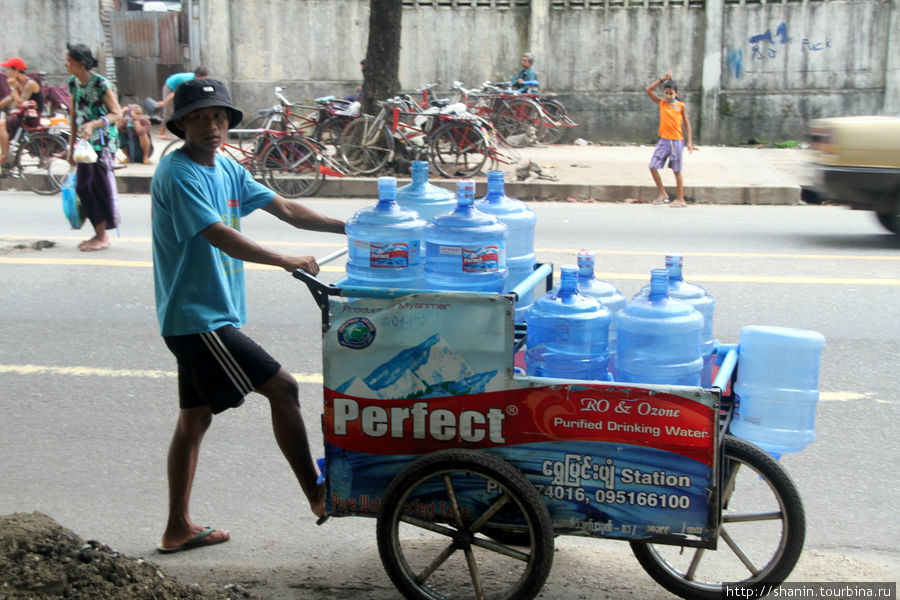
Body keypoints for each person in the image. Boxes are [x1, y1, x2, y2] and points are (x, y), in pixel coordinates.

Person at [150, 78, 346, 553]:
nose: (213, 125)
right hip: (198, 319)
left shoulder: (226, 167)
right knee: (283, 387)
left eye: (219, 117)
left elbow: (285, 208)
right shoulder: (178, 174)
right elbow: (218, 234)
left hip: (206, 314)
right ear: (181, 125)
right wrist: (285, 260)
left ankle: (177, 527)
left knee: (193, 421)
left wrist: (353, 226)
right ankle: (317, 495)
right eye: (200, 117)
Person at [66, 43, 122, 251]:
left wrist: (93, 124)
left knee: (94, 186)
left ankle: (102, 236)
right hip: (83, 143)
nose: (66, 64)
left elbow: (117, 113)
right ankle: (99, 233)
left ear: (81, 63)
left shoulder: (101, 84)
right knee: (82, 186)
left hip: (103, 142)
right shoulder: (73, 83)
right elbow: (73, 116)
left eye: (69, 61)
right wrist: (71, 146)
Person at [645, 71, 695, 207]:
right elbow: (648, 89)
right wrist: (661, 79)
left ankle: (680, 199)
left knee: (677, 170)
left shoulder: (681, 106)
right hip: (663, 140)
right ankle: (662, 193)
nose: (668, 96)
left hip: (677, 141)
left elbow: (687, 124)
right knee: (652, 166)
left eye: (671, 94)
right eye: (666, 93)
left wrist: (689, 142)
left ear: (676, 93)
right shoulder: (662, 103)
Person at [0, 56, 45, 167]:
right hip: (24, 115)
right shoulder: (19, 82)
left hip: (32, 117)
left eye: (9, 69)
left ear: (16, 70)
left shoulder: (30, 84)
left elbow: (20, 102)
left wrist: (12, 88)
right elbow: (10, 99)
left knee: (1, 124)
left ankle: (5, 157)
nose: (7, 72)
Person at [152, 66, 208, 139]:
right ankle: (161, 134)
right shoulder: (188, 81)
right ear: (197, 76)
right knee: (169, 111)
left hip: (179, 88)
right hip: (170, 87)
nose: (203, 81)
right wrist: (164, 102)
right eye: (202, 79)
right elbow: (175, 93)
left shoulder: (196, 80)